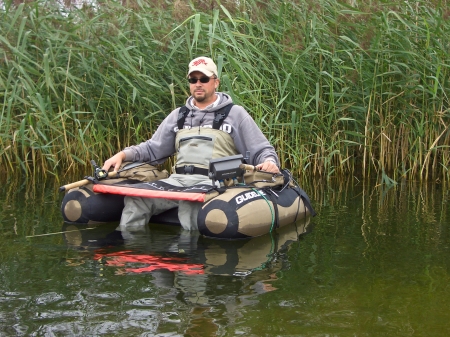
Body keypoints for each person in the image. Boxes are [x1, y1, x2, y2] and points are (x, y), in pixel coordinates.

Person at [102, 56, 280, 231]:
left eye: (203, 79)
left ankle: (192, 256)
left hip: (215, 183)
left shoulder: (236, 114)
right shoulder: (178, 115)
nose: (198, 84)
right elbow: (152, 149)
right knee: (136, 200)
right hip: (177, 181)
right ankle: (129, 254)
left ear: (216, 82)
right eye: (193, 79)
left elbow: (261, 149)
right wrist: (123, 155)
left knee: (190, 204)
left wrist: (270, 162)